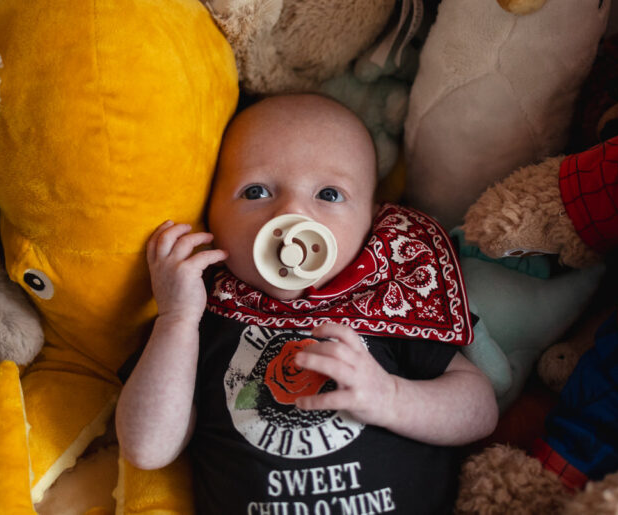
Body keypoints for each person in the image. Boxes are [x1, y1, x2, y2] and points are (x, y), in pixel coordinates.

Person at [117, 93, 497, 514]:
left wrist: (389, 397)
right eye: (256, 191)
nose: (293, 212)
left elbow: (480, 410)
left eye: (330, 194)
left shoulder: (387, 304)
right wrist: (176, 319)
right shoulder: (203, 317)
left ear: (372, 220)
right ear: (211, 213)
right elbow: (147, 449)